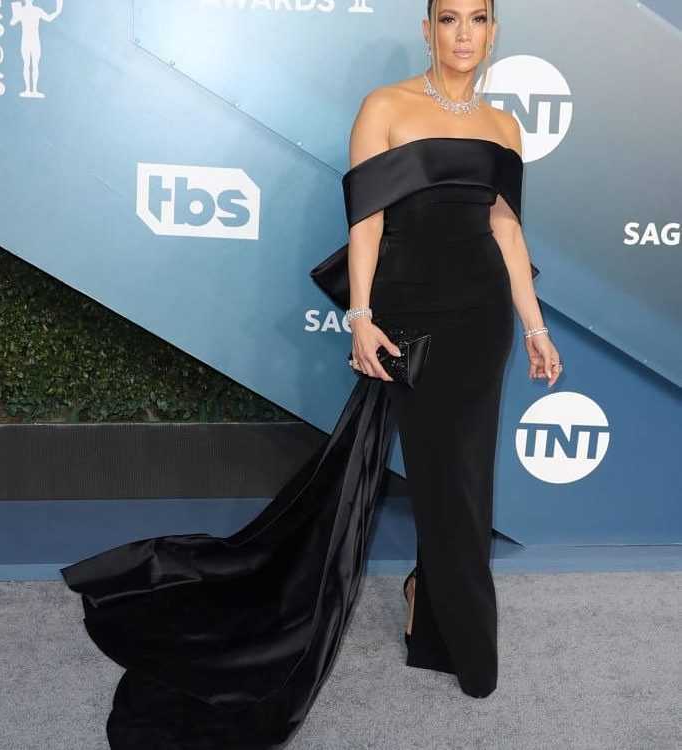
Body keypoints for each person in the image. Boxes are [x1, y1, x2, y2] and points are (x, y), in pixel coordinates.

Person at [60, 1, 562, 747]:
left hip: (481, 317)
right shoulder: (385, 107)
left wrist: (534, 325)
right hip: (411, 312)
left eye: (478, 19)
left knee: (466, 475)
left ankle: (437, 610)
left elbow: (505, 227)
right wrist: (360, 315)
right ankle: (453, 629)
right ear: (426, 29)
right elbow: (367, 222)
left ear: (494, 32)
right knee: (442, 475)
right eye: (449, 18)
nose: (464, 33)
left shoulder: (503, 125)